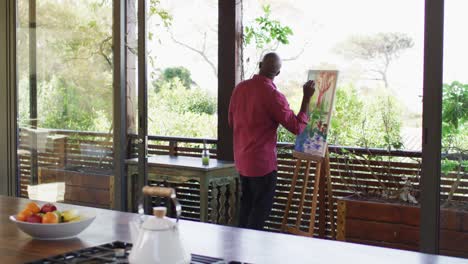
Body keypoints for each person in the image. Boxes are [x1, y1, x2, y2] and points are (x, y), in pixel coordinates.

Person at [228, 52, 316, 230]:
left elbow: (231, 122)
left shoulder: (240, 89)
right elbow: (297, 127)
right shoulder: (273, 95)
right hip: (262, 165)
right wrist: (306, 98)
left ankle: (236, 254)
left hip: (242, 161)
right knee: (259, 214)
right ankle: (249, 256)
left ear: (260, 65)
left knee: (245, 210)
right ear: (278, 73)